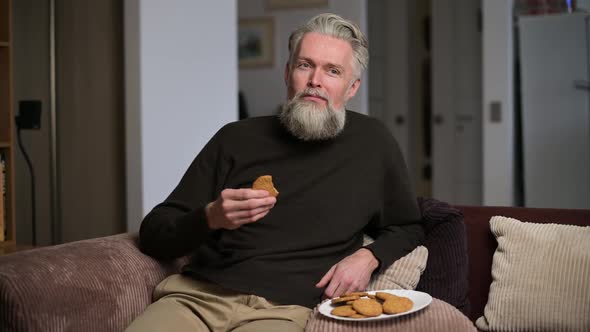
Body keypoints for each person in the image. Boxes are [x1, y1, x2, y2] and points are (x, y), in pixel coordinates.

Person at [126, 13, 424, 332]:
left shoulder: (373, 144)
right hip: (196, 300)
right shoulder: (235, 138)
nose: (315, 80)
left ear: (352, 87)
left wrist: (368, 257)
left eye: (332, 71)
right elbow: (155, 233)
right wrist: (211, 217)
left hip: (284, 312)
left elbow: (408, 226)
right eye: (304, 65)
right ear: (287, 73)